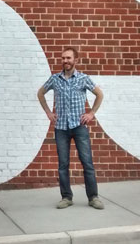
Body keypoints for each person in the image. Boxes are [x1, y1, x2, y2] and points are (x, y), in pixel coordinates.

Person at [37, 47, 105, 210]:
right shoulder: (55, 79)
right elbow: (40, 93)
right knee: (63, 164)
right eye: (63, 58)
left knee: (87, 163)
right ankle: (66, 197)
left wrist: (91, 113)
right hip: (61, 128)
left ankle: (93, 197)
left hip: (79, 127)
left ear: (76, 60)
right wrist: (48, 112)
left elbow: (99, 94)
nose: (65, 61)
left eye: (68, 58)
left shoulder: (83, 78)